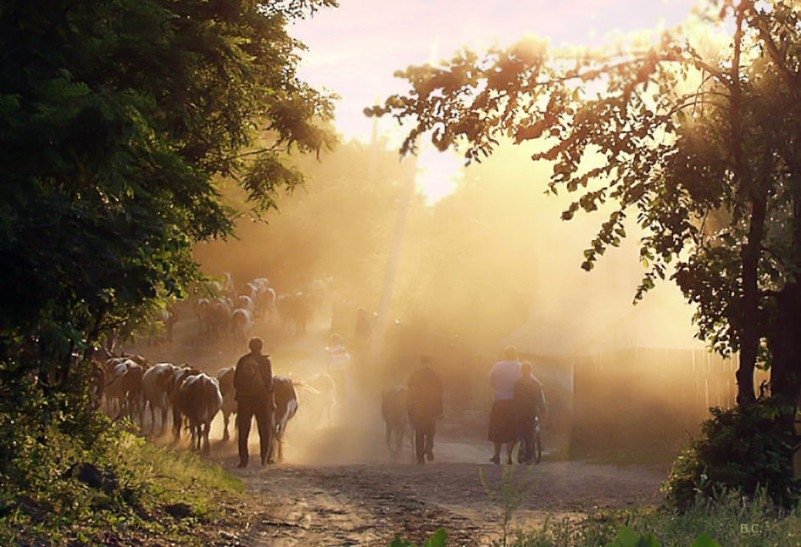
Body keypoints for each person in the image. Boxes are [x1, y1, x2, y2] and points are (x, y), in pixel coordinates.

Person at [233, 337, 274, 468]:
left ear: (249, 347)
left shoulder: (243, 361)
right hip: (261, 401)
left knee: (243, 431)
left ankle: (243, 461)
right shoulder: (265, 362)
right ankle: (265, 459)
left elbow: (235, 382)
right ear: (261, 347)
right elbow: (269, 382)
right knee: (264, 430)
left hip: (244, 400)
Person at [406, 354, 444, 464]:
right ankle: (429, 447)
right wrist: (440, 410)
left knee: (419, 432)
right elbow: (439, 394)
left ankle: (420, 457)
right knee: (430, 431)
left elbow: (410, 393)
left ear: (420, 362)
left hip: (418, 408)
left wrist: (409, 408)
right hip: (431, 408)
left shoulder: (414, 375)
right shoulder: (436, 376)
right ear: (430, 362)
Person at [488, 345, 522, 464]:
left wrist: (497, 388)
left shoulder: (498, 366)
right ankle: (509, 456)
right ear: (516, 355)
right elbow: (534, 381)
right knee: (512, 429)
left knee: (497, 427)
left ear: (505, 355)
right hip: (514, 402)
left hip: (499, 400)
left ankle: (496, 454)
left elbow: (491, 380)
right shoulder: (520, 366)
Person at [513, 360, 547, 465]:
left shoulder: (518, 382)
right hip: (531, 410)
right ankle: (529, 456)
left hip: (519, 410)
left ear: (522, 370)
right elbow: (540, 397)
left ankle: (520, 448)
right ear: (531, 370)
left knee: (520, 430)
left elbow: (515, 397)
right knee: (530, 433)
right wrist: (542, 408)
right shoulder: (535, 383)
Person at [326, 332, 351, 401]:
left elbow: (328, 360)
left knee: (333, 384)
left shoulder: (330, 349)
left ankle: (334, 397)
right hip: (341, 370)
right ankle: (342, 398)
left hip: (333, 370)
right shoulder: (342, 348)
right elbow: (348, 358)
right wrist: (344, 365)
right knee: (341, 384)